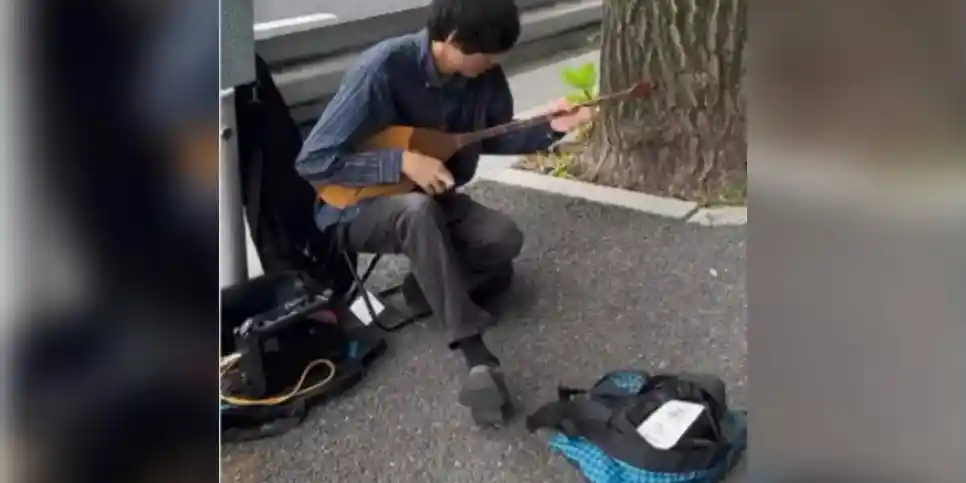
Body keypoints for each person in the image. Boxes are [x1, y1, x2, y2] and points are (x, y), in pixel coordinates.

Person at [294, 0, 593, 424]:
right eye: (486, 54)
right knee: (416, 212)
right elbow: (313, 160)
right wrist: (401, 161)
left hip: (431, 197)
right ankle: (475, 352)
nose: (494, 64)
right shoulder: (382, 69)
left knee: (502, 239)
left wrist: (550, 128)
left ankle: (425, 290)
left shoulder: (484, 75)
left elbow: (491, 138)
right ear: (452, 40)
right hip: (354, 207)